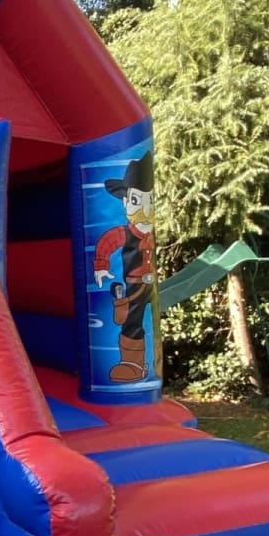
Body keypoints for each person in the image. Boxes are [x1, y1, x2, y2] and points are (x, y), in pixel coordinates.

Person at [92, 151, 157, 383]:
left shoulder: (150, 233)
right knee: (131, 320)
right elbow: (107, 242)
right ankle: (132, 364)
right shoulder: (126, 232)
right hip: (135, 284)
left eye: (150, 201)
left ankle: (153, 362)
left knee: (152, 320)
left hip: (151, 283)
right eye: (137, 201)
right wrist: (101, 266)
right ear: (126, 202)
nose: (145, 210)